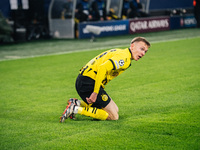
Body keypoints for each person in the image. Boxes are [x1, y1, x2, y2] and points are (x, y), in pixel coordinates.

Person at [60, 37, 151, 122]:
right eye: (141, 49)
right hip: (88, 82)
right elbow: (102, 68)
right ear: (132, 46)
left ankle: (76, 103)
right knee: (113, 116)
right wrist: (95, 93)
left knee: (115, 109)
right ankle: (75, 109)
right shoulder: (124, 58)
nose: (143, 53)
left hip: (85, 79)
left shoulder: (123, 53)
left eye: (145, 51)